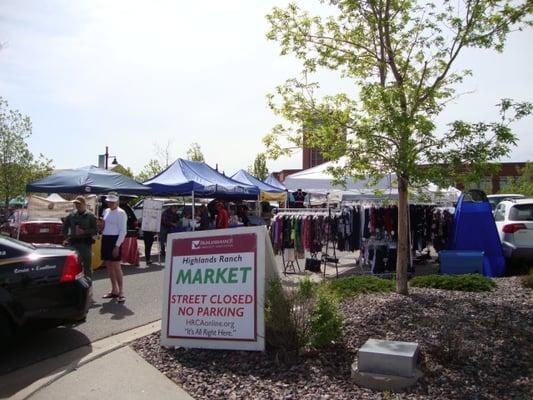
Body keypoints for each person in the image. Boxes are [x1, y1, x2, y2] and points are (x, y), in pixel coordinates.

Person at [101, 192, 128, 303]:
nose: (110, 203)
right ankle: (114, 290)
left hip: (115, 240)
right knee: (108, 265)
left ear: (117, 201)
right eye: (109, 201)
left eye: (112, 201)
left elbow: (123, 231)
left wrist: (117, 245)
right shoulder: (106, 211)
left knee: (116, 266)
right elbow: (104, 226)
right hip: (106, 239)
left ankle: (121, 292)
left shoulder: (121, 213)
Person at [62, 196, 97, 280]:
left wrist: (84, 231)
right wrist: (66, 238)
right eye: (76, 204)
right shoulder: (72, 215)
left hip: (85, 245)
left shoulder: (90, 216)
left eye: (79, 204)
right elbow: (64, 227)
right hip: (73, 244)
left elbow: (95, 230)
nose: (77, 205)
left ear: (84, 204)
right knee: (73, 267)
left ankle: (88, 286)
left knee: (87, 267)